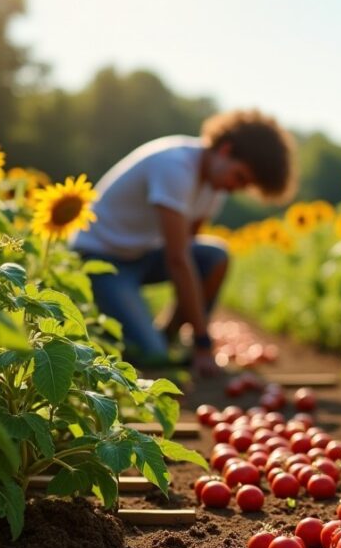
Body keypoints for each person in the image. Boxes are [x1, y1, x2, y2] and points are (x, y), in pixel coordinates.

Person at [71, 109, 296, 377]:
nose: (236, 188)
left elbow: (187, 250)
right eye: (240, 177)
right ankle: (153, 343)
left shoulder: (215, 186)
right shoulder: (175, 166)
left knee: (215, 257)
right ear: (225, 150)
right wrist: (204, 344)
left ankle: (169, 336)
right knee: (151, 355)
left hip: (140, 256)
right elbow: (177, 259)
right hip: (99, 258)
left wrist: (194, 328)